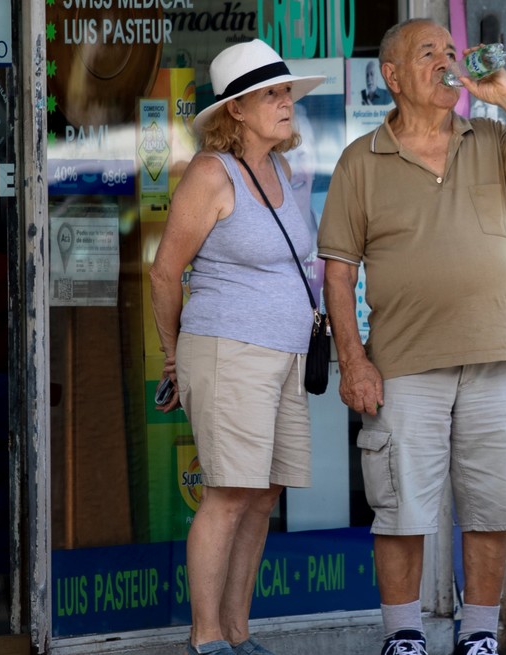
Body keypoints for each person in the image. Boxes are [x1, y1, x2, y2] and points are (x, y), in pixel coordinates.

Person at [317, 18, 506, 655]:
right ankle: (404, 636)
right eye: (427, 52)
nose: (445, 61)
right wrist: (353, 360)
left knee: (494, 506)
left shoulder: (489, 137)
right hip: (404, 363)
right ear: (391, 76)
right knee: (401, 508)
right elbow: (337, 270)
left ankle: (480, 637)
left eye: (450, 51)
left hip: (494, 357)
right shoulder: (361, 159)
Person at [149, 39, 324, 655]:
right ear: (237, 110)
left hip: (285, 355)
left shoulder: (281, 170)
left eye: (287, 92)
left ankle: (237, 633)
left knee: (262, 495)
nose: (286, 103)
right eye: (271, 94)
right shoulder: (210, 173)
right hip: (229, 352)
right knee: (228, 495)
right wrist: (173, 357)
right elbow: (164, 273)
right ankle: (206, 639)